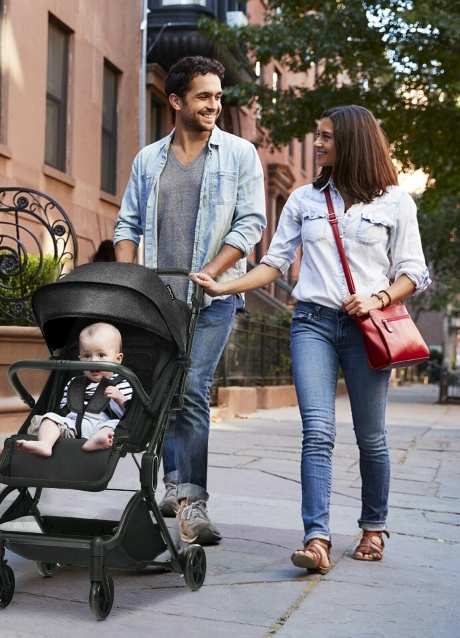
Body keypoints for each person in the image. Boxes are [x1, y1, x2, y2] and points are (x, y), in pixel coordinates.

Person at [191, 105, 430, 571]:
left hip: (366, 329)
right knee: (317, 432)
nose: (317, 144)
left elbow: (414, 273)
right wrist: (224, 285)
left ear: (353, 144)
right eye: (316, 135)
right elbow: (273, 263)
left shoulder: (395, 202)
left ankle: (373, 527)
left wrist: (378, 297)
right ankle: (316, 538)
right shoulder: (304, 200)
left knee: (371, 437)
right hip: (313, 324)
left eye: (325, 137)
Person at [114, 56, 266, 544]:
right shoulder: (148, 159)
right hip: (159, 299)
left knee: (192, 389)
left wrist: (214, 273)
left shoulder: (240, 155)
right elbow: (127, 225)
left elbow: (251, 224)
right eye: (204, 96)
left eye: (218, 97)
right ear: (176, 100)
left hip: (214, 298)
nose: (214, 105)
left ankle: (191, 501)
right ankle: (173, 486)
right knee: (165, 393)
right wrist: (128, 278)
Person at [16, 322, 132, 456]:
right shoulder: (74, 383)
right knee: (50, 418)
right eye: (87, 356)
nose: (93, 361)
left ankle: (96, 441)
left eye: (101, 355)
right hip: (72, 426)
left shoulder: (121, 384)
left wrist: (120, 398)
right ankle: (45, 444)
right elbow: (63, 409)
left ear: (118, 359)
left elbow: (130, 415)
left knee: (115, 424)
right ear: (79, 359)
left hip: (100, 426)